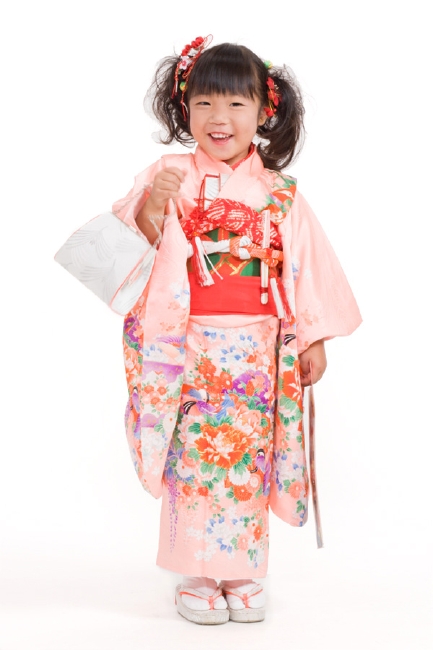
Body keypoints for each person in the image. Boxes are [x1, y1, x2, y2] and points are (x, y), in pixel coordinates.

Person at [112, 36, 361, 624]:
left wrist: (314, 339)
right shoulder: (168, 173)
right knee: (192, 453)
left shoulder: (279, 191)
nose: (218, 117)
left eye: (235, 103)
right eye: (203, 103)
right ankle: (196, 573)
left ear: (263, 111)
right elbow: (122, 255)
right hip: (186, 342)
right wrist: (152, 207)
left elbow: (306, 264)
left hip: (256, 346)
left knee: (248, 453)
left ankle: (244, 572)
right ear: (184, 109)